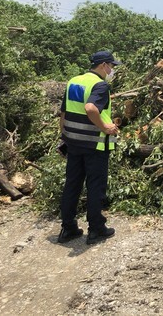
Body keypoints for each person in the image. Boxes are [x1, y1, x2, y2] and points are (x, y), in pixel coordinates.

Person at [58, 51, 121, 245]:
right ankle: (96, 229)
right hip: (94, 145)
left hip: (74, 143)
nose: (112, 70)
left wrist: (65, 136)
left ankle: (67, 228)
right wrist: (106, 127)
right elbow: (91, 108)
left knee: (72, 185)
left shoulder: (73, 81)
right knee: (95, 186)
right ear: (103, 65)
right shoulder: (100, 85)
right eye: (112, 66)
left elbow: (64, 113)